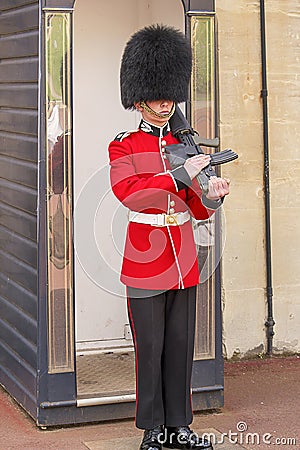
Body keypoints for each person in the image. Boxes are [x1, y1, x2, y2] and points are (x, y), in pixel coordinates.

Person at [108, 24, 230, 450]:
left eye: (170, 95)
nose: (167, 103)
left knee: (180, 347)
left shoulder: (184, 142)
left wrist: (210, 195)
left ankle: (180, 427)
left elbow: (193, 208)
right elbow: (132, 195)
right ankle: (154, 429)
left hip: (182, 258)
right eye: (159, 96)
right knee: (151, 348)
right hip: (144, 259)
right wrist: (180, 173)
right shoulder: (122, 146)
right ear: (139, 99)